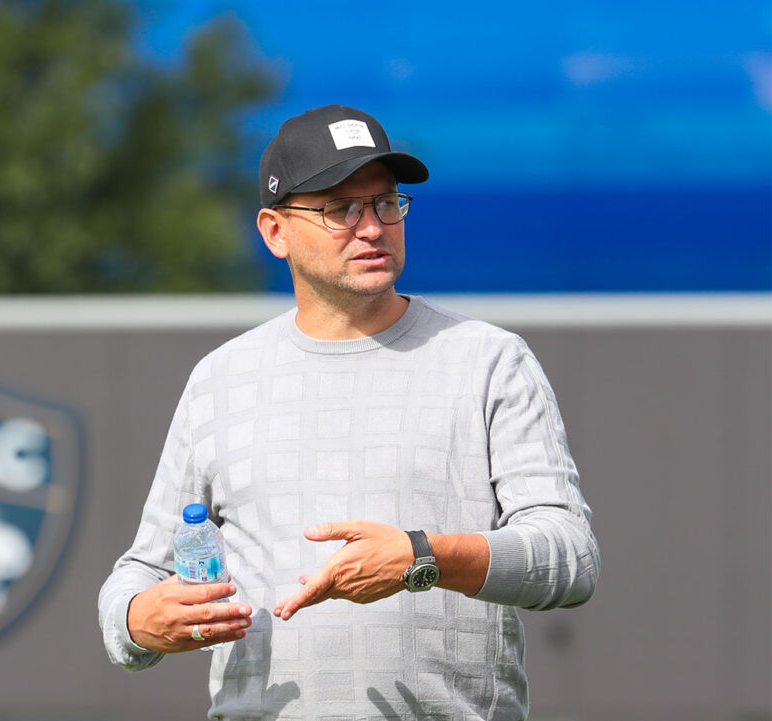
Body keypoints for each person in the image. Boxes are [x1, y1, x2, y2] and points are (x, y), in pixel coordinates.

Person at [98, 104, 599, 721]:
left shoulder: (489, 360)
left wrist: (422, 557)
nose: (372, 228)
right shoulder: (220, 378)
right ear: (274, 231)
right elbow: (140, 573)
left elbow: (571, 558)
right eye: (341, 209)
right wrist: (139, 621)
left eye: (387, 203)